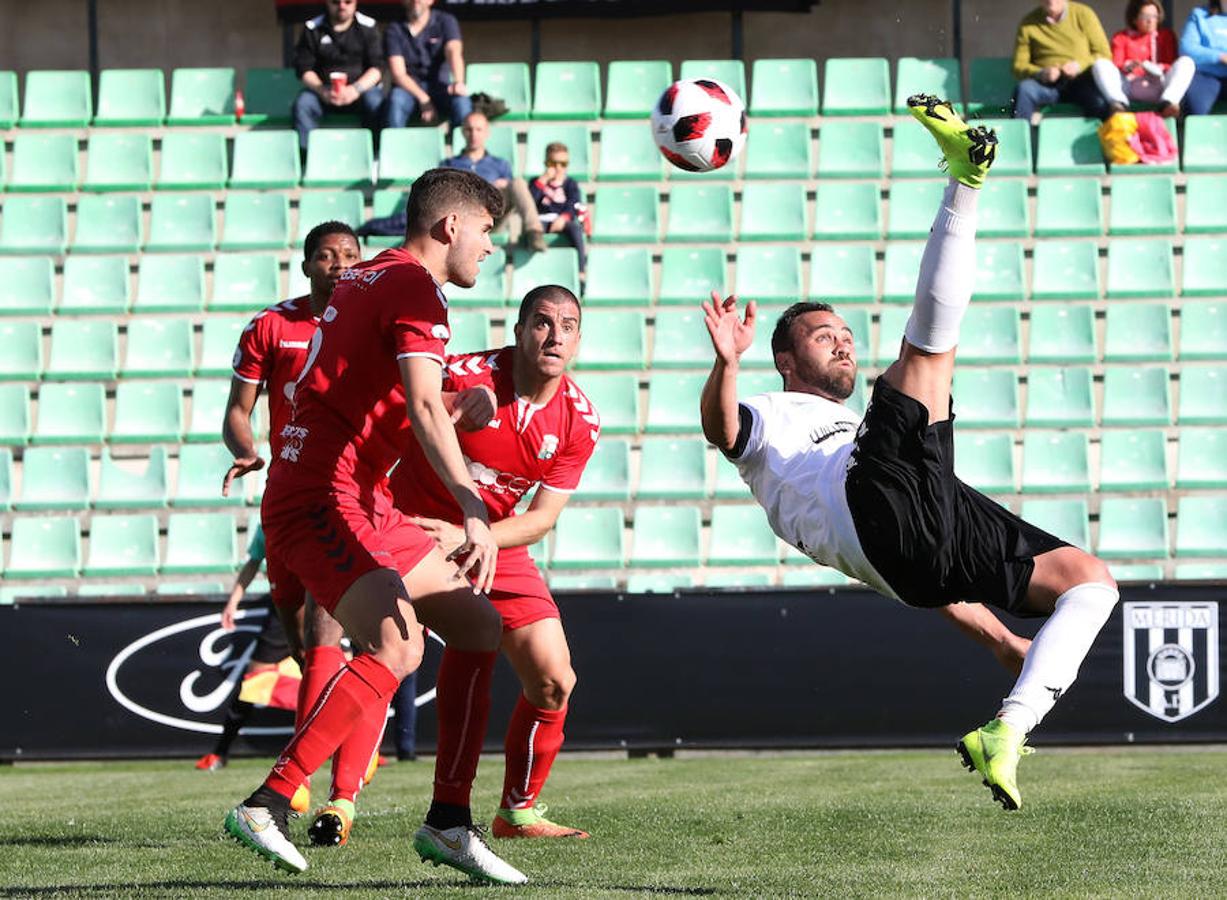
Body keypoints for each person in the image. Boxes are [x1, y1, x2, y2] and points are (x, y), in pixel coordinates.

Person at [700, 95, 1119, 813]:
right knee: (927, 358)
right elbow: (721, 432)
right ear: (783, 358)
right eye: (819, 334)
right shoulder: (770, 415)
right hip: (866, 498)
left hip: (909, 544)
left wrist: (996, 641)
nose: (840, 339)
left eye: (842, 331)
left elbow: (927, 579)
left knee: (1089, 582)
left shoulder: (857, 429)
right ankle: (963, 179)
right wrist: (726, 365)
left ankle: (1009, 729)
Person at [222, 168, 528, 886]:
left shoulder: (370, 277)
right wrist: (474, 510)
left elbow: (376, 390)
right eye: (485, 231)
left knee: (479, 626)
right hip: (320, 495)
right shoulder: (416, 289)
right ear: (449, 227)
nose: (489, 247)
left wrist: (457, 402)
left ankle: (449, 823)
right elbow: (418, 409)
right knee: (398, 645)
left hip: (358, 493)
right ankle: (267, 801)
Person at [389, 284, 598, 840]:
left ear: (578, 339)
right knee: (383, 656)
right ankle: (323, 794)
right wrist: (453, 408)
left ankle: (517, 812)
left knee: (555, 681)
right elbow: (389, 415)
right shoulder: (464, 373)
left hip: (490, 543)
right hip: (409, 529)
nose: (554, 336)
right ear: (520, 329)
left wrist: (473, 534)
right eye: (542, 322)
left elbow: (541, 518)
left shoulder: (580, 420)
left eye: (568, 326)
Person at [224, 221, 383, 833]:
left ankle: (317, 792)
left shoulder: (371, 327)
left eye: (350, 256)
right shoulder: (271, 326)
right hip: (282, 492)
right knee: (301, 640)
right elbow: (237, 411)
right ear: (307, 264)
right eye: (327, 256)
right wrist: (244, 448)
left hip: (341, 492)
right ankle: (337, 733)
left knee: (325, 627)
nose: (340, 265)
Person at [195, 526, 300, 773]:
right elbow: (254, 562)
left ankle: (364, 753)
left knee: (340, 677)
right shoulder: (268, 522)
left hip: (321, 604)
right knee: (253, 682)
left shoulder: (315, 509)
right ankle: (220, 752)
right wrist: (232, 602)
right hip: (283, 610)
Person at [291, 0, 385, 154]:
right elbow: (303, 69)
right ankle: (306, 159)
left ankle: (374, 154)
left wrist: (355, 90)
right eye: (336, 1)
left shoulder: (368, 27)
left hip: (360, 93)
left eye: (347, 1)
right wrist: (323, 91)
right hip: (324, 94)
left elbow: (378, 68)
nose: (342, 6)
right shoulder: (313, 28)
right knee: (303, 104)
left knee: (375, 102)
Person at [444, 112, 547, 252]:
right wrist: (489, 187)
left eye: (478, 129)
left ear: (487, 132)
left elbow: (511, 196)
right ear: (463, 132)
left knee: (517, 183)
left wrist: (501, 187)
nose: (474, 134)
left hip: (492, 218)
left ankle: (534, 232)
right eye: (469, 129)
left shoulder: (500, 164)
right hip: (464, 219)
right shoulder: (449, 164)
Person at [1012, 0, 1114, 122]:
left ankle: (1102, 139)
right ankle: (1021, 138)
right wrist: (1041, 72)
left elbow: (1103, 53)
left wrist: (1078, 66)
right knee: (1024, 90)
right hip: (1046, 85)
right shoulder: (1028, 23)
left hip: (1082, 81)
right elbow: (1018, 66)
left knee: (1100, 102)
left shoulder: (1083, 14)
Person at [1091, 0, 1195, 116]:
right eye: (1145, 16)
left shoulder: (1166, 35)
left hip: (1159, 85)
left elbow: (1171, 64)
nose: (1150, 21)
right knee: (1101, 64)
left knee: (1187, 62)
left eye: (1154, 16)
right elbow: (1116, 64)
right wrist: (1129, 66)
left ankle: (1168, 103)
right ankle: (1119, 104)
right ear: (1134, 18)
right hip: (1130, 85)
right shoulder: (1121, 37)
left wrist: (1154, 67)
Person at [383, 0, 472, 130]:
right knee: (395, 101)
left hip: (440, 87)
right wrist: (424, 99)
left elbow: (454, 52)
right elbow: (399, 74)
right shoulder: (394, 29)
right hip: (408, 90)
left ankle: (461, 148)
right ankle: (395, 148)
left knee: (462, 101)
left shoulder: (446, 21)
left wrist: (458, 82)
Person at [529, 143, 587, 275]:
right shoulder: (536, 182)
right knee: (533, 230)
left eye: (563, 164)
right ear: (546, 163)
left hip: (561, 220)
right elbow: (530, 202)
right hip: (541, 220)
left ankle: (581, 269)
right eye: (553, 163)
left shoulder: (570, 183)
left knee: (576, 229)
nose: (558, 168)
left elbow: (574, 203)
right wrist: (543, 180)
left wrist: (564, 217)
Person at [1179, 1, 1227, 114]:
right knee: (1195, 107)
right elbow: (1187, 48)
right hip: (1205, 76)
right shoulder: (1199, 15)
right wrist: (1220, 56)